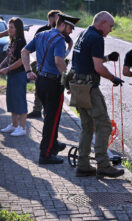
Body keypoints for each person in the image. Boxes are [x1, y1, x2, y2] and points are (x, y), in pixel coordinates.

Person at [70, 11, 124, 178]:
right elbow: (98, 68)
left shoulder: (84, 34)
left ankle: (83, 164)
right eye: (110, 26)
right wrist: (113, 77)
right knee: (104, 125)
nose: (110, 30)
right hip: (90, 88)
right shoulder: (97, 38)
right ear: (102, 23)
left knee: (88, 126)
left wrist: (107, 58)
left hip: (77, 86)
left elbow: (87, 60)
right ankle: (103, 164)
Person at [21, 13, 80, 164]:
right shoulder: (60, 39)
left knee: (50, 116)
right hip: (53, 83)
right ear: (63, 25)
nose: (71, 31)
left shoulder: (41, 34)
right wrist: (67, 81)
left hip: (40, 81)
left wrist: (28, 71)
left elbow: (24, 51)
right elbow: (59, 62)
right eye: (70, 28)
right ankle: (46, 154)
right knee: (51, 120)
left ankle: (53, 144)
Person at [28, 10, 74, 119]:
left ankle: (48, 112)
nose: (58, 19)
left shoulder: (62, 33)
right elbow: (33, 47)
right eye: (56, 17)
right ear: (51, 18)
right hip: (42, 65)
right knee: (40, 91)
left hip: (54, 70)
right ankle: (37, 109)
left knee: (52, 97)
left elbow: (70, 42)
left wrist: (66, 53)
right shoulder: (42, 30)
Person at [0, 17, 27, 136]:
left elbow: (22, 60)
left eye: (11, 27)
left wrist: (8, 68)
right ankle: (14, 124)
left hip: (19, 75)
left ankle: (22, 127)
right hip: (11, 75)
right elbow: (9, 56)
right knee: (11, 100)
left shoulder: (21, 42)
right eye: (9, 27)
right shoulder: (13, 40)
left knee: (20, 101)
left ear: (17, 28)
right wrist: (2, 64)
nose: (9, 30)